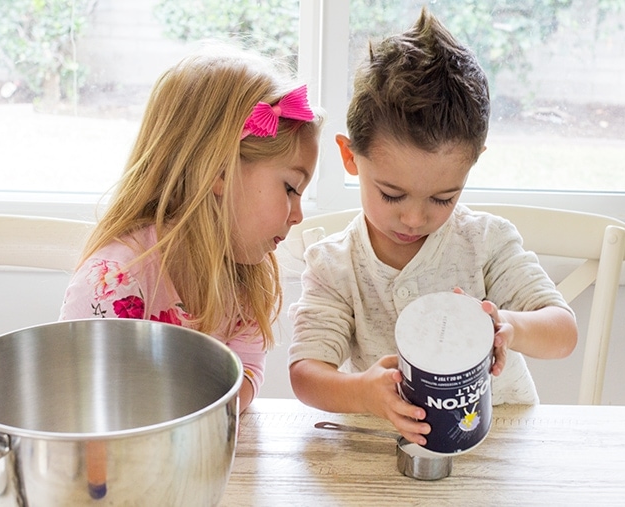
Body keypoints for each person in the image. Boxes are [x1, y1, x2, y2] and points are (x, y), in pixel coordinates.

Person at [288, 9, 578, 446]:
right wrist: (363, 393)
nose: (414, 219)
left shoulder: (486, 242)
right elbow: (307, 374)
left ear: (473, 161)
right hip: (389, 452)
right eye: (392, 194)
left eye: (443, 198)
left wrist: (510, 326)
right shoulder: (334, 265)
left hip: (501, 447)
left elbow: (563, 331)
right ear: (350, 158)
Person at [60, 42, 324, 413]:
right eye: (291, 188)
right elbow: (87, 403)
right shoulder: (114, 281)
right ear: (219, 171)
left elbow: (247, 369)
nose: (298, 215)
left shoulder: (244, 274)